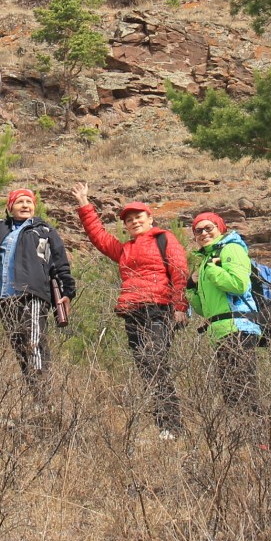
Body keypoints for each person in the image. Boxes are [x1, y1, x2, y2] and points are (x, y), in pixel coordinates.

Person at [72, 182, 190, 439]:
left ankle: (173, 424)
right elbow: (99, 237)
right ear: (125, 226)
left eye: (139, 217)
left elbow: (180, 271)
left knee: (156, 361)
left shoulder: (164, 238)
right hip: (132, 311)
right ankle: (163, 425)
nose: (134, 222)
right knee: (144, 366)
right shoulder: (125, 249)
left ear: (150, 218)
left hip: (160, 309)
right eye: (129, 220)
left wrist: (180, 306)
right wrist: (84, 204)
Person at [0, 147, 77, 393]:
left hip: (34, 295)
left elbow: (61, 265)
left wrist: (67, 293)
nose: (26, 205)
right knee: (20, 350)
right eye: (20, 201)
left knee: (34, 344)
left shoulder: (45, 231)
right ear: (10, 208)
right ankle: (37, 397)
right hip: (6, 299)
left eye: (29, 201)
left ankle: (45, 398)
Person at [185, 212, 262, 412]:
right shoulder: (207, 260)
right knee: (232, 394)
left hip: (239, 328)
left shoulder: (231, 249)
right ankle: (242, 439)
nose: (203, 233)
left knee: (244, 392)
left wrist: (211, 271)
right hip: (220, 332)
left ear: (221, 228)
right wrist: (191, 288)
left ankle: (258, 438)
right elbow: (205, 309)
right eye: (198, 230)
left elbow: (238, 285)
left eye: (208, 228)